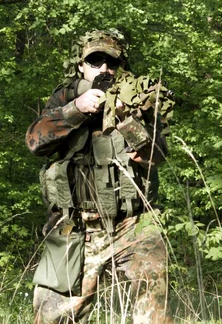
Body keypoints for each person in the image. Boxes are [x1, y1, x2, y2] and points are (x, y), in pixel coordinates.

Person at [26, 29, 174, 324]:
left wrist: (126, 120)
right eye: (95, 61)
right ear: (81, 65)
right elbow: (34, 142)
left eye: (111, 62)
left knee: (156, 314)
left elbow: (156, 155)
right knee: (54, 316)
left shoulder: (136, 97)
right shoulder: (64, 96)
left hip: (133, 224)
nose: (104, 68)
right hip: (76, 226)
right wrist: (76, 110)